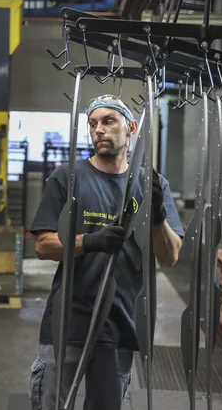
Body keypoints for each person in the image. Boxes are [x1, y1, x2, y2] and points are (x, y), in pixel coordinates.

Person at [28, 95, 185, 410]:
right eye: (93, 123)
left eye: (108, 121)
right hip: (68, 321)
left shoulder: (151, 184)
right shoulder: (68, 178)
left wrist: (157, 217)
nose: (98, 129)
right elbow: (43, 245)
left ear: (131, 127)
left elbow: (169, 255)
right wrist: (90, 242)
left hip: (120, 323)